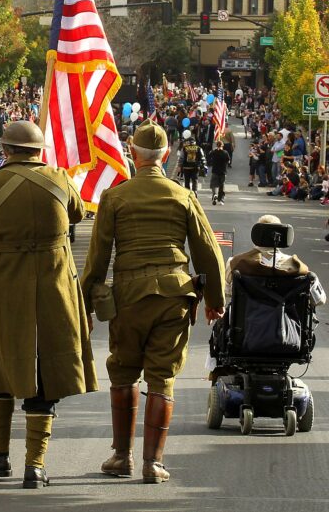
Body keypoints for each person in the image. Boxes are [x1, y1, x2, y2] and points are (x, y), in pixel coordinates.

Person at [81, 120, 225, 485]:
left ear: (132, 153)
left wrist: (84, 300)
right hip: (174, 299)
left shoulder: (115, 197)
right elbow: (207, 252)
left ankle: (121, 456)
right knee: (162, 377)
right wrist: (214, 300)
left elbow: (97, 257)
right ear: (167, 155)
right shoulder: (183, 196)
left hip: (128, 297)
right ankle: (153, 463)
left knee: (124, 370)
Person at [0, 120, 96, 489]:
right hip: (54, 289)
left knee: (0, 366)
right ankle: (34, 466)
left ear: (5, 150)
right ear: (39, 151)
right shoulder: (59, 178)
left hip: (4, 286)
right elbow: (77, 214)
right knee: (45, 378)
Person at [207, 140, 231, 206]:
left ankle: (214, 194)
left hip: (215, 171)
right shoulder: (225, 153)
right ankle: (221, 199)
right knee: (221, 186)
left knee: (214, 185)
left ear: (216, 145)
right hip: (223, 171)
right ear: (222, 146)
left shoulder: (214, 152)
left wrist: (213, 150)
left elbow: (209, 156)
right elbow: (228, 161)